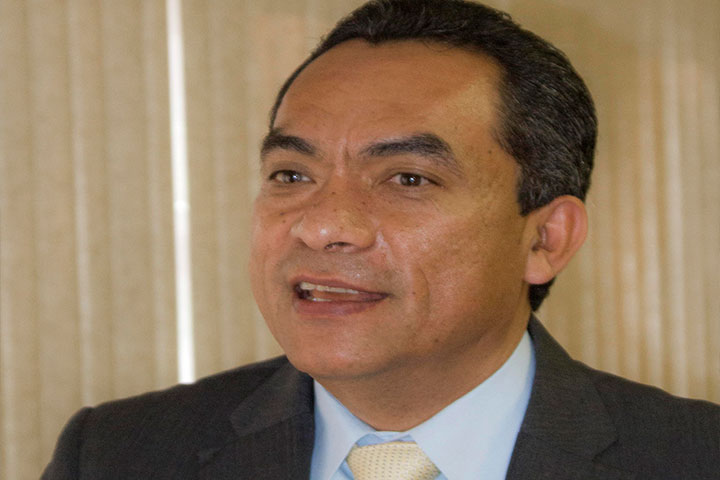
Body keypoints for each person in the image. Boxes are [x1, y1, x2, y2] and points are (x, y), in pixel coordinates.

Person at [43, 1, 719, 479]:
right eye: (291, 175)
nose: (322, 224)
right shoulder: (116, 456)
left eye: (406, 179)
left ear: (545, 238)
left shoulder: (693, 458)